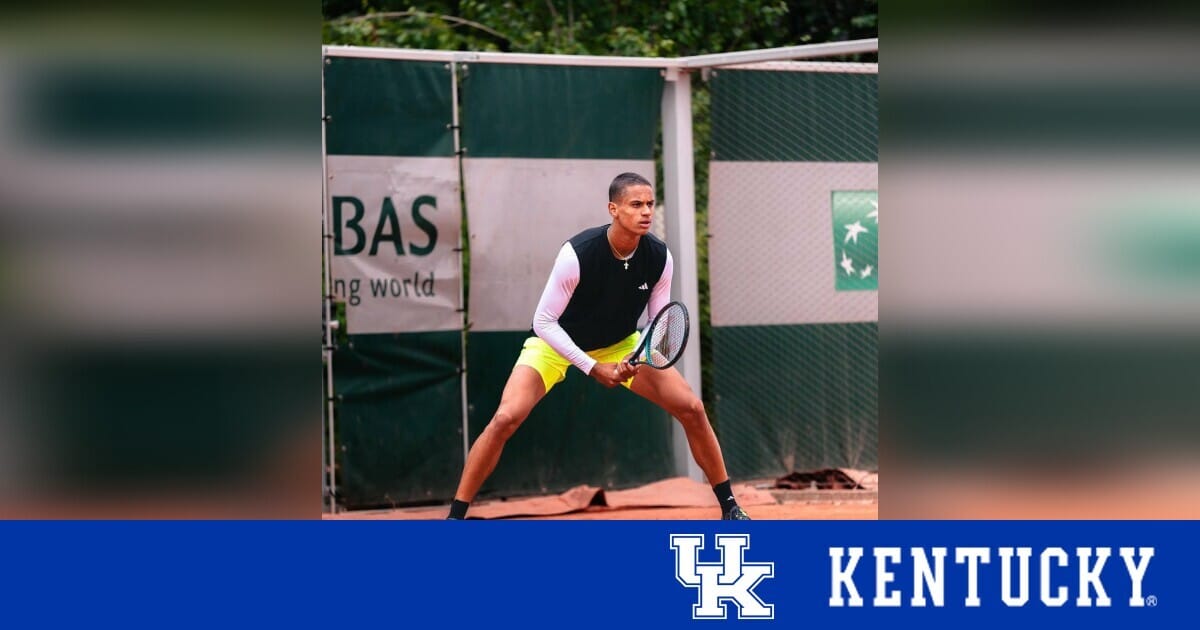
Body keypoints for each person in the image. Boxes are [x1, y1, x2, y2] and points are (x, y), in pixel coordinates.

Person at [447, 172, 750, 520]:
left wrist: (638, 356)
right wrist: (592, 367)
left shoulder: (659, 257)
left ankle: (730, 507)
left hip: (620, 343)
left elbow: (657, 321)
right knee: (505, 418)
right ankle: (455, 517)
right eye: (635, 204)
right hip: (555, 342)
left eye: (650, 204)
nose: (646, 211)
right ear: (613, 209)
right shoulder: (577, 254)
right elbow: (544, 321)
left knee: (692, 408)